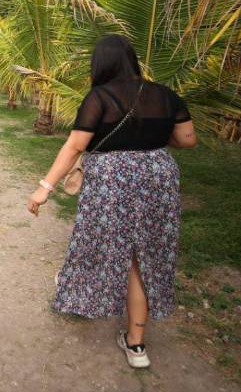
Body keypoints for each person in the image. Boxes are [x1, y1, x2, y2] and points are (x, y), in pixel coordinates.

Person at [26, 34, 196, 369]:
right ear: (132, 60)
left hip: (112, 180)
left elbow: (75, 145)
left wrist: (44, 187)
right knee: (143, 257)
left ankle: (80, 294)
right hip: (158, 177)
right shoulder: (164, 94)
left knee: (95, 242)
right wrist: (151, 142)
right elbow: (187, 140)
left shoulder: (99, 97)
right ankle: (136, 345)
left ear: (101, 64)